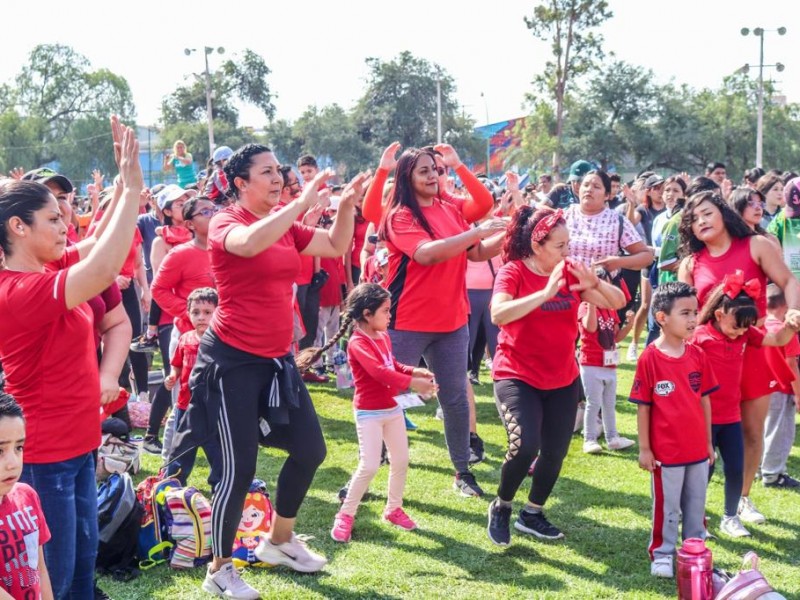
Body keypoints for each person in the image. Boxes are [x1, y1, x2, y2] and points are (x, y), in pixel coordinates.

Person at [182, 143, 368, 598]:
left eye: (278, 171)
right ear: (240, 183)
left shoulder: (286, 225)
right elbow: (249, 244)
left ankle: (279, 542)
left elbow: (336, 244)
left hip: (275, 360)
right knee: (238, 467)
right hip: (230, 363)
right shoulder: (230, 221)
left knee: (311, 449)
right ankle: (219, 570)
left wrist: (344, 207)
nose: (277, 179)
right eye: (266, 172)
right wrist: (300, 204)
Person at [0, 117, 143, 599]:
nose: (66, 225)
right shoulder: (17, 290)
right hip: (46, 455)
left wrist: (124, 191)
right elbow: (104, 267)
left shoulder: (45, 265)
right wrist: (134, 190)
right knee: (54, 583)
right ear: (18, 228)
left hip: (79, 445)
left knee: (82, 575)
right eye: (54, 219)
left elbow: (99, 248)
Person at [365, 143, 501, 497]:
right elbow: (426, 255)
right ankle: (370, 462)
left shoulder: (449, 207)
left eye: (435, 170)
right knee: (386, 393)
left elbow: (478, 237)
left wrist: (508, 236)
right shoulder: (400, 216)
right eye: (423, 170)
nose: (432, 176)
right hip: (406, 321)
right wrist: (477, 232)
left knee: (455, 398)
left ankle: (462, 472)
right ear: (407, 178)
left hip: (452, 321)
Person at [486, 206, 625, 546]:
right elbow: (499, 314)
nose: (568, 252)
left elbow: (619, 301)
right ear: (537, 246)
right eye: (560, 246)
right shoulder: (513, 272)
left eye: (568, 244)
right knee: (524, 446)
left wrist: (594, 284)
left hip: (562, 378)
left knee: (555, 451)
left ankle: (532, 512)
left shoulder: (570, 272)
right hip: (516, 374)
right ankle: (502, 505)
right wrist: (546, 293)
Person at [678, 190, 800, 524]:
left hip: (755, 349)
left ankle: (742, 499)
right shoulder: (692, 263)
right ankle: (694, 503)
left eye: (706, 213)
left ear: (723, 212)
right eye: (693, 219)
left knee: (750, 431)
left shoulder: (757, 245)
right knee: (701, 434)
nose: (701, 221)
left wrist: (794, 313)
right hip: (705, 358)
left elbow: (788, 280)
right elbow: (683, 311)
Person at [322, 284, 437, 542]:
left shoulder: (383, 336)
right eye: (385, 311)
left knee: (400, 460)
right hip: (369, 414)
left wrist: (414, 371)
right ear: (366, 313)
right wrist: (413, 383)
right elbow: (379, 373)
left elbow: (391, 365)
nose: (390, 316)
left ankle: (393, 509)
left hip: (392, 410)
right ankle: (346, 514)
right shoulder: (357, 343)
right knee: (370, 465)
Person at [692, 275, 797, 537]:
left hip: (730, 416)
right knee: (705, 469)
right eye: (736, 327)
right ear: (718, 313)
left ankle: (730, 516)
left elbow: (776, 340)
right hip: (702, 418)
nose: (740, 332)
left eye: (745, 328)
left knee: (736, 467)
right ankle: (696, 515)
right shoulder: (699, 338)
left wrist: (791, 326)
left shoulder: (746, 333)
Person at [629, 282, 717, 578]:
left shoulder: (698, 355)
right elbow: (644, 407)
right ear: (662, 317)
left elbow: (704, 401)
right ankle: (663, 552)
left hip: (696, 452)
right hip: (666, 453)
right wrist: (645, 448)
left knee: (696, 504)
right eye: (685, 313)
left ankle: (695, 549)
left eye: (695, 312)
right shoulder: (649, 358)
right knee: (667, 508)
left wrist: (707, 443)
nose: (693, 319)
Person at [148, 196, 218, 456]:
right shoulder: (180, 254)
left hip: (220, 336)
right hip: (187, 338)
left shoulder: (226, 249)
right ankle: (171, 458)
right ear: (190, 223)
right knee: (183, 399)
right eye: (204, 211)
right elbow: (158, 289)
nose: (212, 213)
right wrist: (190, 314)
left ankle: (219, 456)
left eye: (213, 209)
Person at [0, 392, 54, 600]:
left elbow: (40, 568)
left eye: (19, 447)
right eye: (0, 451)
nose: (13, 462)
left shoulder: (27, 497)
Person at [163, 287, 219, 485]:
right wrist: (172, 376)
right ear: (188, 314)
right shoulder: (185, 338)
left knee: (218, 454)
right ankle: (172, 489)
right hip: (185, 406)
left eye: (207, 312)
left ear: (218, 313)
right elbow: (176, 363)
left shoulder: (221, 341)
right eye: (195, 312)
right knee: (181, 453)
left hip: (212, 410)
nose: (201, 317)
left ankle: (221, 488)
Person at [579, 269, 636, 454]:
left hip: (609, 364)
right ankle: (589, 439)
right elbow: (590, 326)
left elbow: (616, 337)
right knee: (593, 403)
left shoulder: (611, 309)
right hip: (591, 363)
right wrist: (592, 303)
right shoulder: (585, 307)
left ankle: (613, 438)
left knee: (609, 404)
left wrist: (630, 325)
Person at [761, 284, 800, 489]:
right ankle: (773, 474)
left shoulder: (759, 327)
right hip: (782, 388)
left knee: (763, 429)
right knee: (780, 432)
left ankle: (762, 467)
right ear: (786, 305)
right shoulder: (786, 331)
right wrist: (799, 393)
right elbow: (791, 364)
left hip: (761, 388)